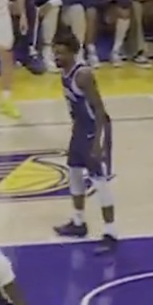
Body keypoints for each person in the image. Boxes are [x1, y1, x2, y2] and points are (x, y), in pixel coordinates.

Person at [49, 36, 116, 250]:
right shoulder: (64, 74)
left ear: (73, 53)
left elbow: (99, 110)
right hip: (79, 131)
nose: (57, 57)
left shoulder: (83, 75)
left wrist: (98, 142)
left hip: (92, 132)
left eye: (61, 52)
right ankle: (78, 222)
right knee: (74, 175)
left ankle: (110, 232)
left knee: (100, 182)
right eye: (55, 52)